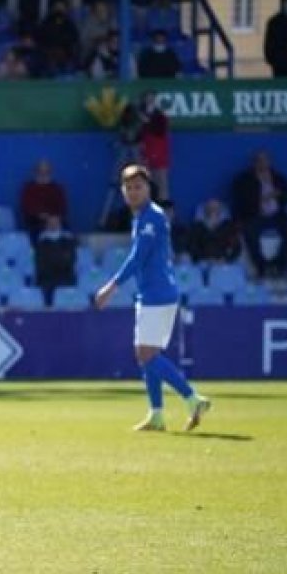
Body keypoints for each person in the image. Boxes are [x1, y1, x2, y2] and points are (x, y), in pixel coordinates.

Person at [93, 165, 211, 433]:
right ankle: (157, 415)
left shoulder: (151, 218)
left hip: (157, 295)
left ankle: (192, 399)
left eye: (139, 186)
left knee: (145, 355)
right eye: (129, 187)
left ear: (149, 188)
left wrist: (111, 287)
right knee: (148, 355)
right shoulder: (143, 217)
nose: (133, 192)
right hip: (155, 293)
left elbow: (138, 258)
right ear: (123, 191)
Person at [230, 151, 287, 226]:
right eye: (259, 160)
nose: (262, 163)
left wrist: (280, 195)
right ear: (254, 162)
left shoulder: (278, 178)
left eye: (265, 160)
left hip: (278, 215)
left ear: (270, 161)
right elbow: (241, 200)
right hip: (254, 215)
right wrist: (264, 198)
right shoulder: (244, 180)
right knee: (249, 231)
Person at [19, 159, 69, 242]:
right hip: (36, 222)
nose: (43, 174)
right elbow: (27, 208)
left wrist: (55, 218)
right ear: (35, 172)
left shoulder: (57, 189)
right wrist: (44, 217)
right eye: (40, 172)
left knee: (65, 234)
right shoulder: (28, 189)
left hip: (57, 221)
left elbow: (63, 208)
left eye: (46, 172)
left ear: (51, 173)